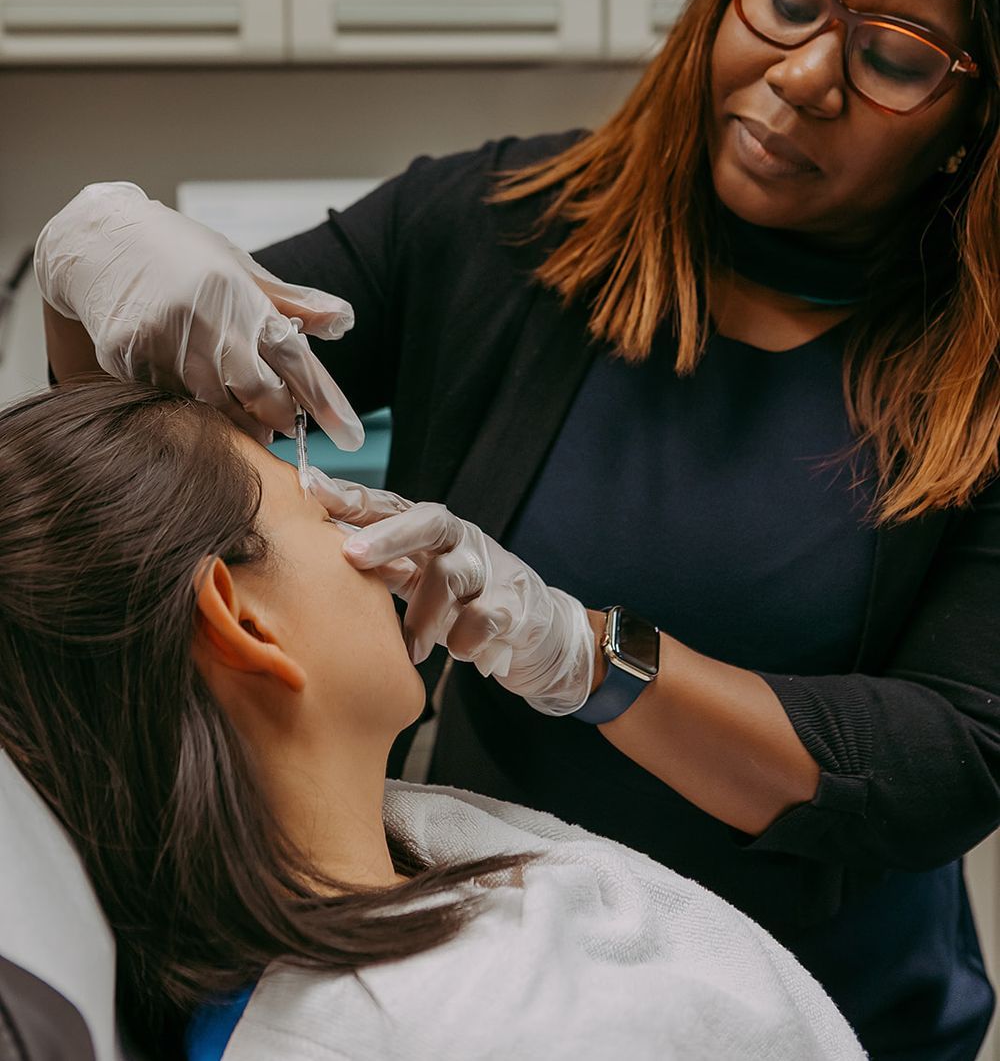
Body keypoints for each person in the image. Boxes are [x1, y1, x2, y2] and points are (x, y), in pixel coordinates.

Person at [35, 0, 1000, 1060]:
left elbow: (947, 759)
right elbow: (135, 461)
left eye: (893, 56)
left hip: (825, 1011)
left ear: (967, 122)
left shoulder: (977, 372)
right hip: (520, 976)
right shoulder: (497, 225)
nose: (806, 74)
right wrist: (83, 271)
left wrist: (586, 654)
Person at [0, 379, 864, 1060]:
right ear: (242, 621)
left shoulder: (274, 924)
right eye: (324, 508)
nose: (383, 537)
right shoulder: (488, 1033)